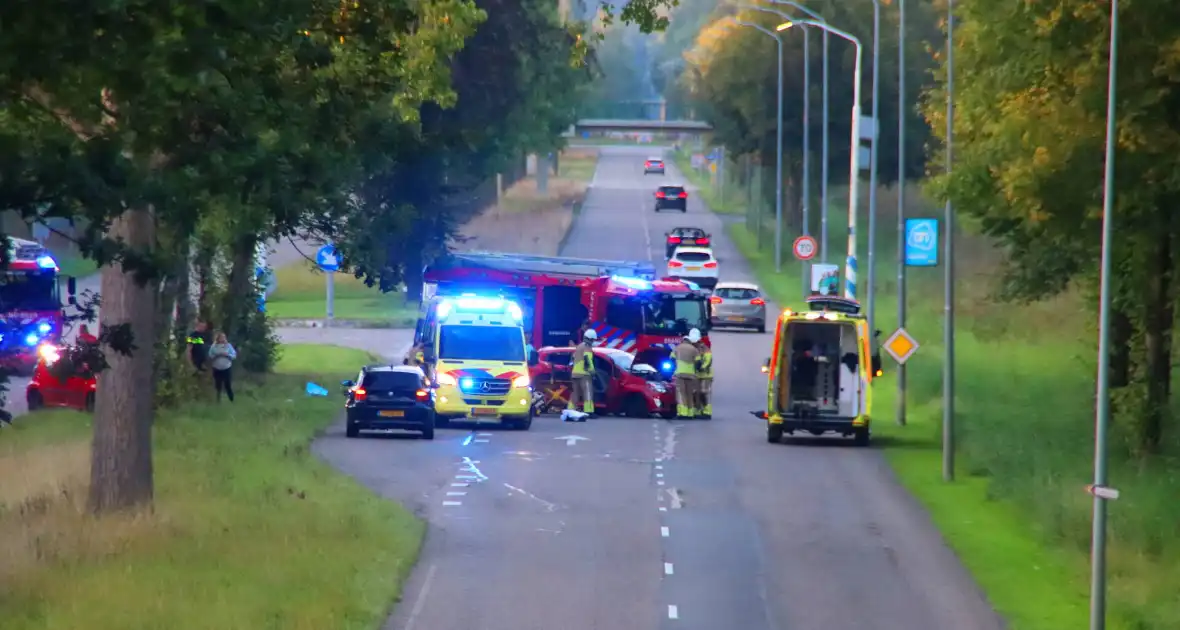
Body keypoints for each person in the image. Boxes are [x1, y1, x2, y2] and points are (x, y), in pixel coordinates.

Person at [568, 328, 597, 416]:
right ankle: (589, 411)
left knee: (575, 393)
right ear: (591, 339)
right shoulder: (587, 347)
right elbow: (588, 360)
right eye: (593, 340)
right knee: (588, 391)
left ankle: (570, 410)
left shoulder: (579, 346)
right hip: (584, 374)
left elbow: (573, 359)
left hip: (575, 373)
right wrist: (592, 372)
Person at [673, 329, 701, 419]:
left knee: (681, 393)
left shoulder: (678, 347)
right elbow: (698, 362)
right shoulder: (694, 349)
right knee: (689, 393)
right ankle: (690, 413)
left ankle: (683, 413)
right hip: (691, 375)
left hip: (680, 374)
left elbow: (671, 358)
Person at [208, 332, 238, 402]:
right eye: (221, 337)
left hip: (227, 367)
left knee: (228, 385)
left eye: (224, 337)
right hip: (216, 368)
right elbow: (210, 355)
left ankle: (232, 400)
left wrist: (227, 355)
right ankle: (218, 401)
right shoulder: (213, 346)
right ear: (218, 338)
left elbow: (234, 355)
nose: (222, 339)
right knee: (218, 385)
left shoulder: (228, 346)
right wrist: (216, 356)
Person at [694, 337, 713, 419]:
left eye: (701, 343)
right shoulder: (696, 350)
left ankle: (707, 411)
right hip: (697, 375)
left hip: (706, 376)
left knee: (703, 393)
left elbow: (708, 363)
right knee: (695, 393)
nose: (700, 344)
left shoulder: (708, 352)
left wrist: (701, 367)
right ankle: (698, 410)